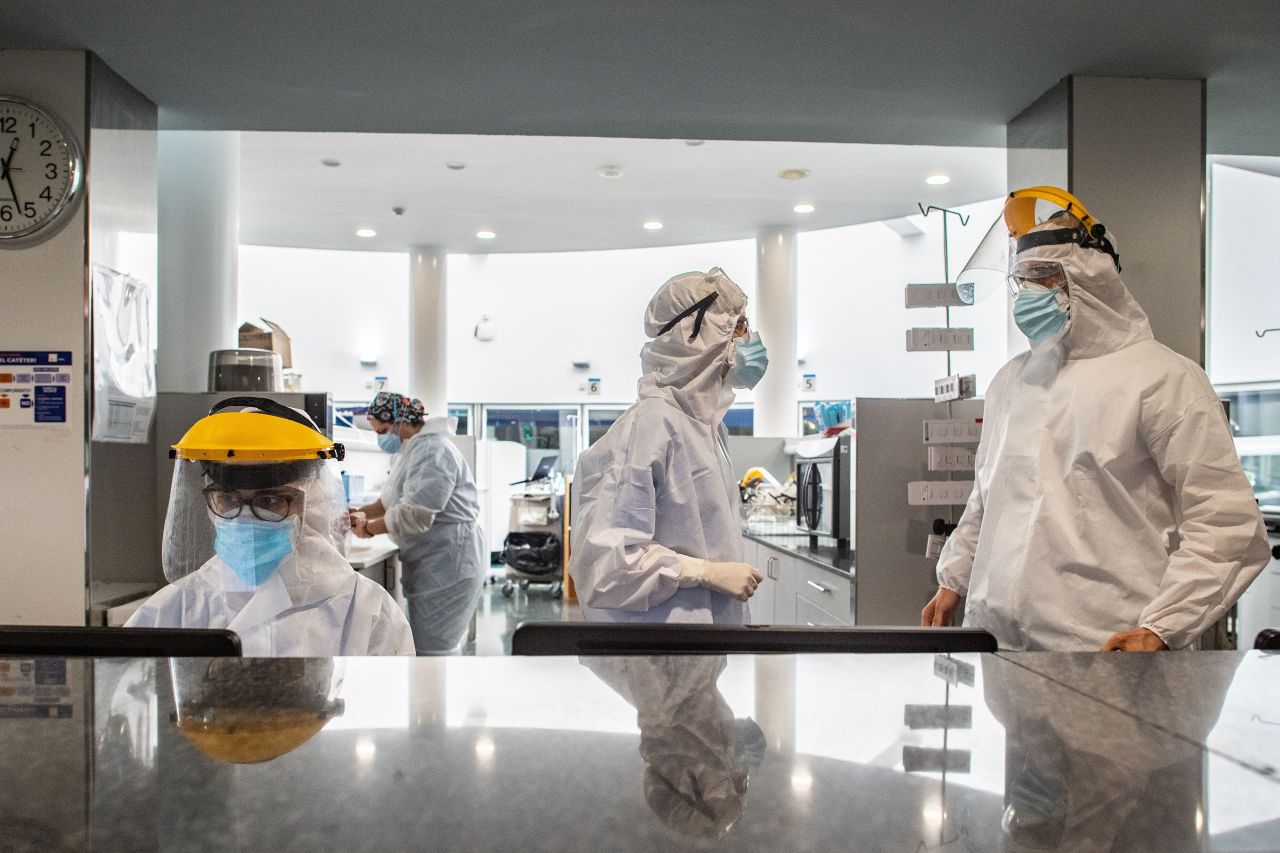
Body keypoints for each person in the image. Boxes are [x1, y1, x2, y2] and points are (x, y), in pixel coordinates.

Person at [921, 187, 1270, 651]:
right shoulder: (1011, 382)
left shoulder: (1163, 379)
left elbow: (1229, 524)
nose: (1029, 295)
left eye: (1045, 276)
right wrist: (953, 580)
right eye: (1022, 280)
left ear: (1091, 278)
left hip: (1107, 649)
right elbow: (986, 498)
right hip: (995, 644)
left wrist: (1162, 626)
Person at [128, 397, 414, 656]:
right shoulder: (174, 608)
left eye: (271, 500)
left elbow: (392, 709)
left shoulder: (366, 612)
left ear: (310, 501)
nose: (247, 519)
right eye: (227, 499)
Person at [569, 267, 766, 623]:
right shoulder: (652, 427)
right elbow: (606, 565)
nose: (750, 338)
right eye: (737, 327)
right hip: (660, 654)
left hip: (701, 647)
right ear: (698, 336)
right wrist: (704, 572)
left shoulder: (706, 428)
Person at [350, 392, 486, 654]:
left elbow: (415, 514)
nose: (381, 438)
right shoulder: (410, 450)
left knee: (434, 650)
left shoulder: (434, 451)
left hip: (449, 563)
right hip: (432, 561)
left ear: (402, 422)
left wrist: (367, 527)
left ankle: (438, 695)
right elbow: (388, 503)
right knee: (427, 646)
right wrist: (356, 512)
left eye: (383, 430)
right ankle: (433, 693)